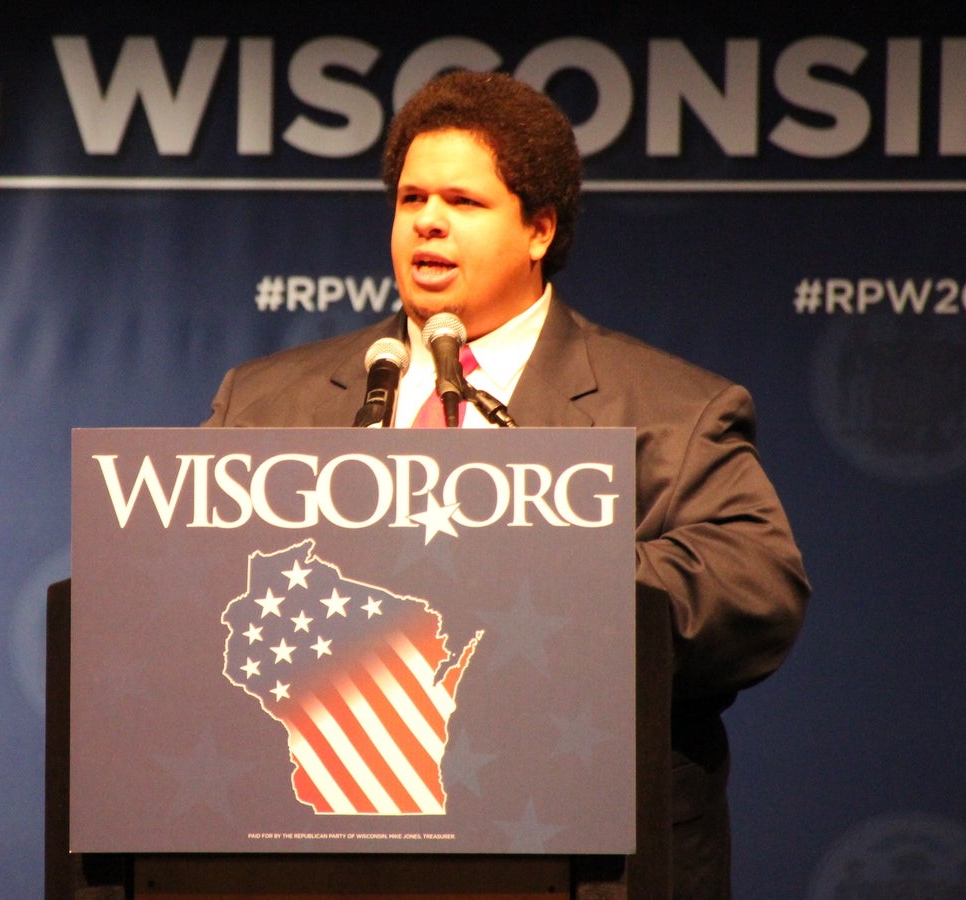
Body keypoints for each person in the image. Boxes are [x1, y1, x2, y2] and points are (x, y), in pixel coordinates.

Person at [204, 69, 809, 898]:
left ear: (539, 230)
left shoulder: (673, 410)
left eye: (463, 201)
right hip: (316, 849)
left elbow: (758, 590)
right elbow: (186, 583)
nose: (428, 221)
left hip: (580, 851)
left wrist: (540, 575)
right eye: (411, 198)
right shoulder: (265, 403)